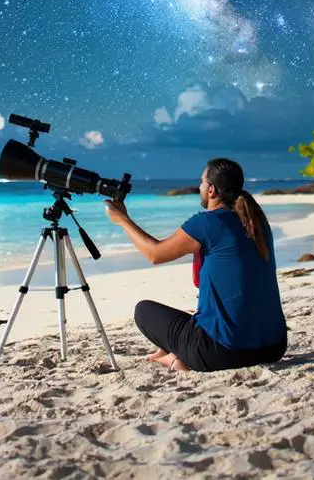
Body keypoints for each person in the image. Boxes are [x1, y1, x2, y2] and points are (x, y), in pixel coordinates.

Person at [103, 158, 288, 372]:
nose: (199, 187)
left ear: (211, 190)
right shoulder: (256, 222)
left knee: (143, 311)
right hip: (273, 346)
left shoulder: (208, 223)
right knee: (191, 320)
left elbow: (155, 254)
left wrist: (123, 220)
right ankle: (170, 351)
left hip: (223, 352)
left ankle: (173, 359)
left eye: (202, 182)